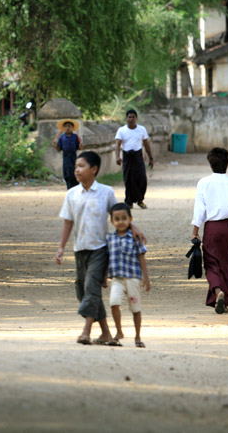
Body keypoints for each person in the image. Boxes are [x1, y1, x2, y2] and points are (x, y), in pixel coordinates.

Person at [55, 151, 145, 346]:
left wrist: (134, 227)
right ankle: (105, 332)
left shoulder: (106, 192)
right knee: (82, 289)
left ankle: (86, 331)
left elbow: (120, 214)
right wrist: (61, 247)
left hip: (100, 249)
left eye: (81, 166)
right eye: (76, 166)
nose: (76, 169)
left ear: (94, 169)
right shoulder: (71, 194)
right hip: (80, 249)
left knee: (91, 287)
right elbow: (68, 222)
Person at [191, 148, 228, 314]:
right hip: (227, 228)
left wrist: (195, 231)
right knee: (225, 262)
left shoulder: (203, 183)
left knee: (211, 262)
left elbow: (199, 210)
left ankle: (218, 292)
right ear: (227, 163)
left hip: (212, 227)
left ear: (210, 163)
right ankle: (225, 301)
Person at [107, 202, 151, 348]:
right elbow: (107, 258)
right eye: (117, 219)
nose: (120, 222)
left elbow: (141, 257)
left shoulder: (135, 237)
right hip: (117, 279)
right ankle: (119, 332)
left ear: (130, 219)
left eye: (124, 218)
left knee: (135, 308)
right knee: (114, 302)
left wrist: (146, 278)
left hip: (133, 278)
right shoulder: (110, 238)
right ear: (112, 221)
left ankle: (138, 337)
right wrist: (103, 277)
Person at [114, 109, 154, 209]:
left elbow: (146, 144)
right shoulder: (122, 130)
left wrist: (151, 158)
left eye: (133, 117)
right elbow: (118, 144)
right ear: (126, 119)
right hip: (127, 156)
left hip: (138, 156)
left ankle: (140, 200)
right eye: (129, 117)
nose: (131, 119)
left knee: (142, 179)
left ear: (136, 119)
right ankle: (129, 201)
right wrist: (118, 157)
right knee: (128, 179)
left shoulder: (142, 129)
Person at [54, 119, 83, 189]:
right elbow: (59, 149)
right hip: (66, 158)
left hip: (73, 158)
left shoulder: (75, 137)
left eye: (69, 126)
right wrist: (55, 146)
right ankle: (69, 189)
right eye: (66, 126)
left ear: (72, 128)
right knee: (67, 174)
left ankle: (76, 189)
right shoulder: (62, 137)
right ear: (64, 128)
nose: (67, 128)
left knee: (75, 174)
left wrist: (81, 146)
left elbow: (79, 148)